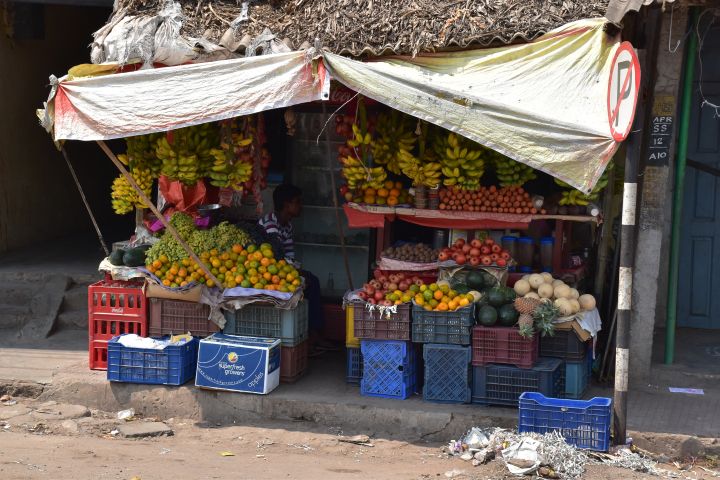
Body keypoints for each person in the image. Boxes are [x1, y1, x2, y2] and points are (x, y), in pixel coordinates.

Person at [258, 184, 329, 353]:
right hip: (265, 272)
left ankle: (312, 334)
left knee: (310, 281)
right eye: (297, 202)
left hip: (281, 269)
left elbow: (289, 256)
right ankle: (312, 335)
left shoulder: (287, 225)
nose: (300, 206)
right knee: (309, 281)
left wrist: (297, 270)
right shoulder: (270, 224)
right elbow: (274, 257)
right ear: (286, 204)